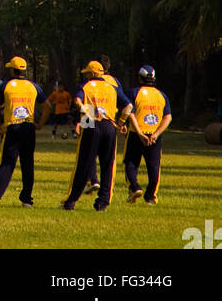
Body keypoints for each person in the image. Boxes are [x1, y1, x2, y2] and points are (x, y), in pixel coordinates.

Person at [60, 60, 131, 212]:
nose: (85, 75)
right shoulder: (112, 87)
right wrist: (120, 122)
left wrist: (88, 113)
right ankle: (103, 203)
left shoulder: (85, 86)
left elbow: (78, 101)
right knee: (108, 165)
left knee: (83, 164)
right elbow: (128, 106)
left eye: (87, 73)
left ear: (93, 73)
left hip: (90, 122)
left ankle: (70, 202)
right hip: (109, 125)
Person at [0, 56, 50, 207]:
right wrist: (40, 124)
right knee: (28, 163)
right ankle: (27, 199)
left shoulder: (6, 85)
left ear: (13, 70)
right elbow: (47, 105)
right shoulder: (33, 86)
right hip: (28, 127)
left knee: (7, 163)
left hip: (12, 127)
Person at [124, 65, 172, 205]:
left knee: (131, 163)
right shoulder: (162, 95)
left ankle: (134, 188)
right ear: (154, 78)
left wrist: (139, 132)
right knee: (154, 166)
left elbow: (130, 113)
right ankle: (151, 196)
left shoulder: (133, 93)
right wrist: (156, 134)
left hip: (136, 134)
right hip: (154, 136)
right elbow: (168, 117)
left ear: (140, 78)